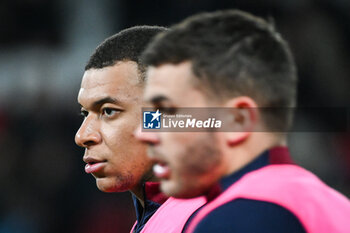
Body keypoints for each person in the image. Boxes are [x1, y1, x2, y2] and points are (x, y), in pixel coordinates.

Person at [135, 10, 350, 233]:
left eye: (167, 111)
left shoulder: (237, 217)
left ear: (237, 120)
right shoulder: (333, 204)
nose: (146, 131)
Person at [75, 26, 205, 233]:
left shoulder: (212, 218)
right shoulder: (159, 217)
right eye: (85, 114)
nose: (82, 136)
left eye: (108, 111)